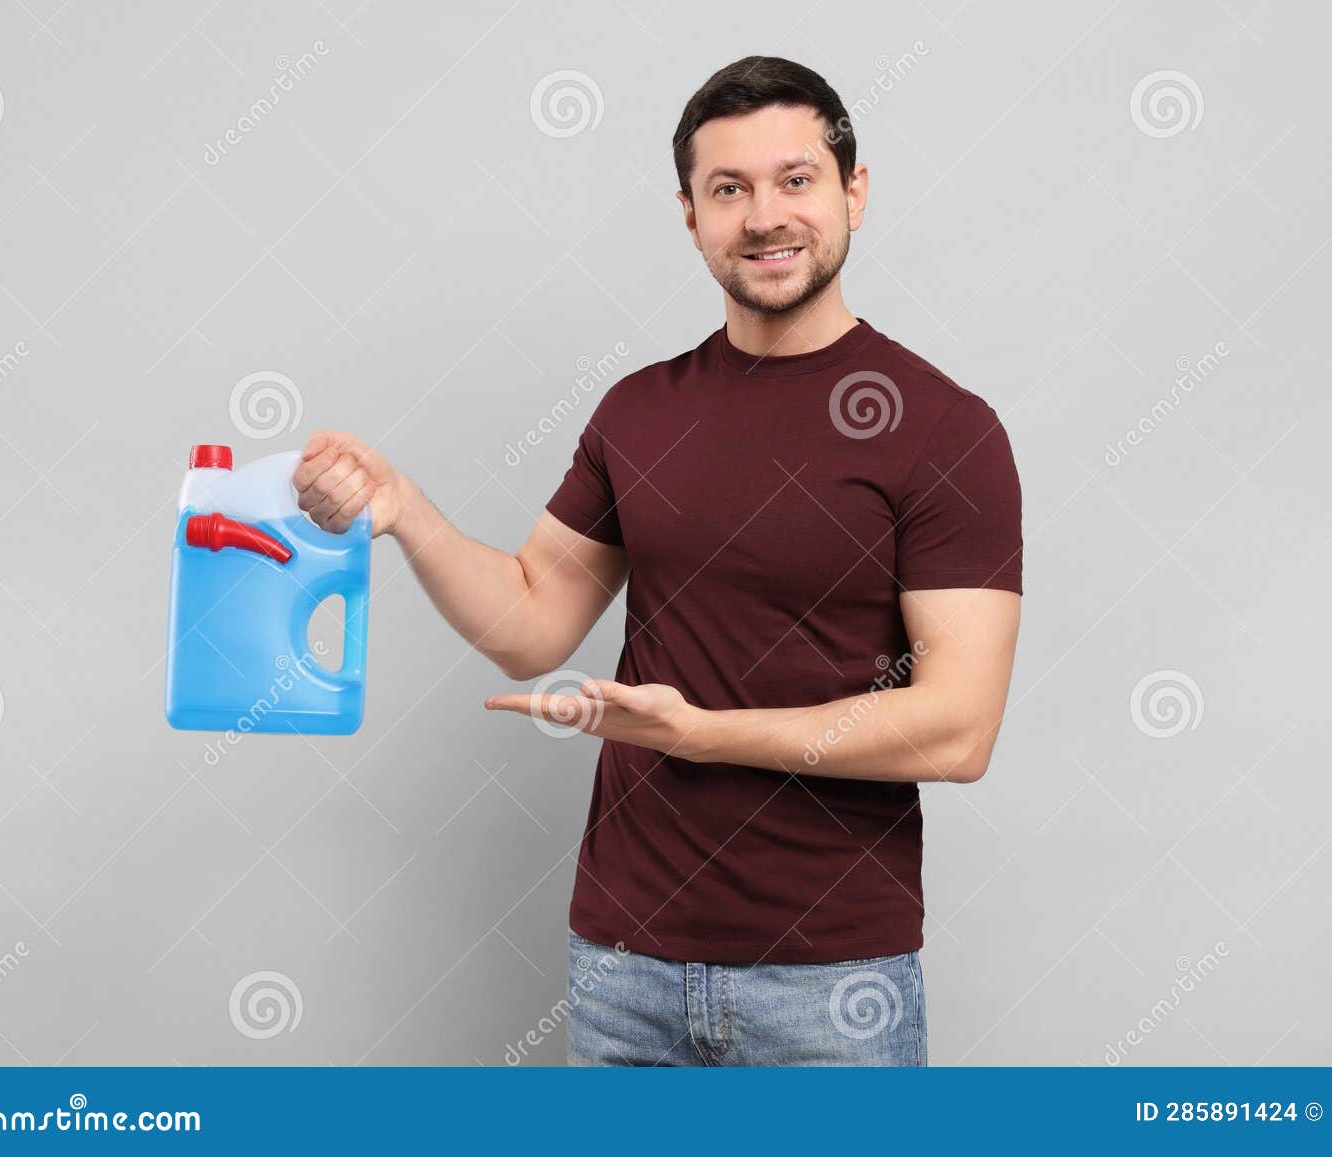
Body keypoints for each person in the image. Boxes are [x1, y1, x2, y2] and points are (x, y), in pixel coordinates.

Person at [293, 55, 1023, 1066]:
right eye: (729, 189)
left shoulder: (943, 429)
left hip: (829, 980)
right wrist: (403, 512)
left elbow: (957, 729)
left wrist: (703, 735)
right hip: (622, 962)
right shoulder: (639, 412)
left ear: (854, 190)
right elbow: (531, 623)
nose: (764, 215)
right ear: (691, 215)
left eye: (795, 179)